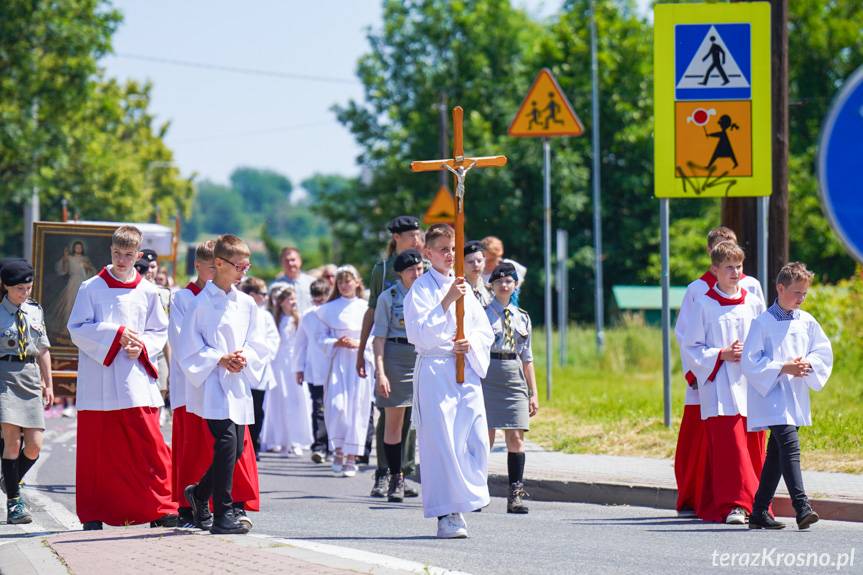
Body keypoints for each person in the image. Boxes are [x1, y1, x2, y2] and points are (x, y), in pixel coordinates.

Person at [67, 225, 177, 529]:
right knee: (98, 453)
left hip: (134, 378)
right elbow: (77, 328)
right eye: (117, 253)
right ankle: (93, 513)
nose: (122, 260)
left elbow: (159, 331)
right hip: (99, 382)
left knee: (149, 445)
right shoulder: (90, 287)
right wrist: (115, 335)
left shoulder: (148, 291)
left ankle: (161, 507)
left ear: (138, 254)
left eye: (128, 254)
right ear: (110, 251)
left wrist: (140, 345)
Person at [403, 223, 494, 539]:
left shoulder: (464, 288)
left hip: (465, 369)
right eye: (443, 249)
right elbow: (419, 333)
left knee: (477, 439)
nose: (449, 255)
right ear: (428, 253)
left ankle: (467, 495)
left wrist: (471, 342)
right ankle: (447, 513)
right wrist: (446, 301)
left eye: (453, 249)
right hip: (437, 372)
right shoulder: (422, 289)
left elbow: (485, 331)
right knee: (442, 444)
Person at [178, 234, 269, 535]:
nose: (245, 271)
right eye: (240, 265)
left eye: (247, 265)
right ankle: (223, 513)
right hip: (212, 383)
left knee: (236, 449)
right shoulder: (200, 303)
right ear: (219, 263)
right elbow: (188, 346)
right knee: (227, 442)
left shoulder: (245, 303)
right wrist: (219, 358)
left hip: (237, 381)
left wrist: (245, 356)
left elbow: (257, 342)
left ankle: (200, 495)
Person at [673, 226, 764, 517]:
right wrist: (707, 365)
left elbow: (766, 331)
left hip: (749, 383)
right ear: (713, 260)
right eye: (727, 264)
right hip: (715, 381)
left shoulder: (752, 293)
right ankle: (726, 501)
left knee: (748, 446)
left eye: (738, 264)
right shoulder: (700, 295)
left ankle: (756, 502)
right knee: (721, 448)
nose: (735, 271)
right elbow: (687, 339)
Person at [742, 262, 833, 530]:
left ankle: (759, 511)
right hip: (770, 394)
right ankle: (802, 507)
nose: (801, 298)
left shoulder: (807, 321)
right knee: (790, 446)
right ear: (780, 288)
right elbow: (750, 362)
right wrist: (783, 367)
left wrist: (808, 363)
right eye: (796, 293)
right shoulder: (763, 322)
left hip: (793, 394)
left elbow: (822, 350)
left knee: (776, 454)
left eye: (804, 293)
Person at [357, 215, 423, 497]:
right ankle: (384, 472)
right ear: (397, 237)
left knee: (412, 418)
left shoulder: (425, 269)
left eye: (419, 235)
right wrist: (362, 352)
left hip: (417, 350)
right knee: (389, 414)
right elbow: (372, 311)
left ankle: (403, 472)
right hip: (391, 348)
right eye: (411, 236)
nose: (417, 240)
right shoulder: (383, 270)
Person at [482, 262, 539, 514]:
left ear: (515, 285)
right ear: (491, 285)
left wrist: (533, 392)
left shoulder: (522, 317)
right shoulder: (481, 314)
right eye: (499, 281)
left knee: (516, 437)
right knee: (486, 437)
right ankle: (478, 490)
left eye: (509, 281)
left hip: (513, 375)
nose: (504, 285)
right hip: (488, 374)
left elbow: (527, 358)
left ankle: (515, 494)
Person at [0, 260, 54, 524]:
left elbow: (43, 348)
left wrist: (49, 382)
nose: (25, 293)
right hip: (4, 377)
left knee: (34, 446)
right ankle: (14, 502)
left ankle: (8, 479)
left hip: (30, 377)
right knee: (12, 442)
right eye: (20, 288)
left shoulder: (34, 310)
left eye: (29, 287)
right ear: (6, 287)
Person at [168, 240, 216, 526]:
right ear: (198, 265)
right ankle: (187, 508)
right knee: (191, 447)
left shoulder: (225, 297)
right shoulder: (183, 298)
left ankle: (215, 503)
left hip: (218, 380)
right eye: (212, 267)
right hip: (191, 382)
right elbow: (180, 339)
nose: (216, 273)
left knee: (215, 446)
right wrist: (213, 360)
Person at [371, 249, 424, 502]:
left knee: (422, 423)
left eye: (420, 268)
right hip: (395, 356)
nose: (417, 273)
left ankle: (415, 474)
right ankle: (395, 476)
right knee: (394, 423)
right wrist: (380, 372)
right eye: (411, 270)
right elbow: (378, 337)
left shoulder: (429, 295)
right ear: (400, 273)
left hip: (422, 357)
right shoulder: (388, 297)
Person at [317, 265, 371, 478]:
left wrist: (359, 343)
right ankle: (338, 450)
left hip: (359, 360)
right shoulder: (328, 309)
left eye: (348, 280)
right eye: (340, 282)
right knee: (337, 406)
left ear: (357, 282)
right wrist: (336, 342)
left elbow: (375, 336)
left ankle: (351, 456)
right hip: (339, 361)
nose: (344, 285)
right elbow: (319, 338)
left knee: (357, 408)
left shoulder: (366, 307)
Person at [261, 286, 313, 455]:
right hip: (279, 364)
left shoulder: (299, 320)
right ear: (282, 302)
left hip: (294, 363)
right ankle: (279, 438)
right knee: (279, 401)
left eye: (294, 299)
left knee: (296, 401)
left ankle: (296, 439)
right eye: (290, 299)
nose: (293, 302)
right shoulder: (276, 320)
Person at [238, 277, 280, 459]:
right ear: (253, 295)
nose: (266, 297)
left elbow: (273, 340)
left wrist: (260, 358)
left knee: (257, 410)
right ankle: (240, 446)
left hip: (260, 368)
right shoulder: (239, 310)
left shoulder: (266, 315)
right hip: (240, 367)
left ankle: (254, 445)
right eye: (263, 294)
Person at [293, 278, 333, 463]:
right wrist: (298, 368)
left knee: (335, 408)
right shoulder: (307, 316)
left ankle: (334, 445)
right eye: (315, 299)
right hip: (314, 369)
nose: (318, 303)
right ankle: (319, 447)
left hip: (335, 369)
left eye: (322, 299)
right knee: (318, 407)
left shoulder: (334, 313)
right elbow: (300, 344)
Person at [273, 247, 315, 313]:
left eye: (293, 260)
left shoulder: (312, 282)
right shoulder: (276, 286)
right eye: (286, 261)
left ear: (300, 261)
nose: (290, 263)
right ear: (281, 263)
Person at [464, 240, 492, 308]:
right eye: (470, 262)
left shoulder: (491, 291)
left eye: (479, 261)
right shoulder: (457, 290)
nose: (476, 265)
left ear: (484, 261)